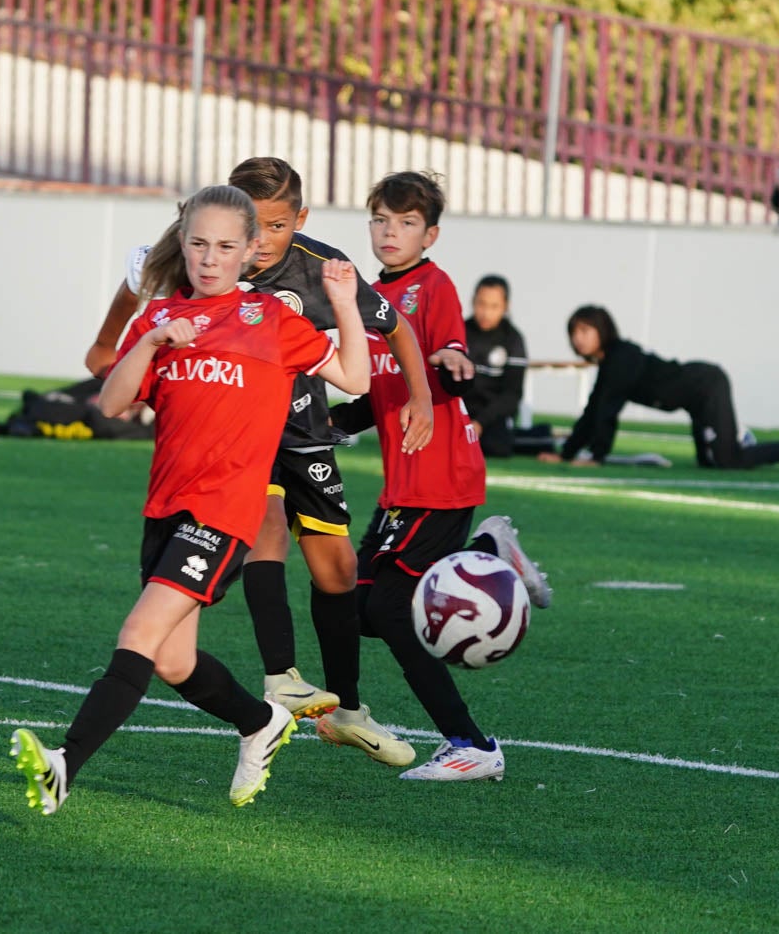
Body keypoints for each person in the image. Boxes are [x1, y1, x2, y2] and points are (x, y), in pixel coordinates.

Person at [9, 184, 372, 815]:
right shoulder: (159, 319)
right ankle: (260, 722)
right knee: (174, 661)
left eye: (226, 246)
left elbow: (354, 378)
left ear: (250, 249)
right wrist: (150, 343)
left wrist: (343, 303)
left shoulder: (271, 320)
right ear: (182, 243)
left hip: (224, 513)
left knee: (139, 631)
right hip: (165, 509)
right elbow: (111, 402)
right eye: (198, 243)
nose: (210, 257)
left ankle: (64, 764)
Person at [84, 158, 435, 770]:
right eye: (254, 227)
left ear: (295, 222)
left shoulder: (318, 268)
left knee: (336, 567)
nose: (262, 242)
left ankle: (347, 710)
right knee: (265, 526)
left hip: (306, 428)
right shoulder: (198, 256)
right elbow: (138, 286)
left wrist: (421, 397)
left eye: (276, 228)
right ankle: (282, 678)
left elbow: (394, 328)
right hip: (240, 439)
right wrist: (109, 345)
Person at [328, 170, 548, 782]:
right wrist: (330, 423)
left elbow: (452, 367)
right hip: (404, 486)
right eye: (380, 219)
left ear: (431, 234)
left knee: (394, 610)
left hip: (440, 477)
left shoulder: (434, 286)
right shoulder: (374, 297)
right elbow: (381, 390)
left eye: (404, 222)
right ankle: (490, 552)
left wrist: (453, 361)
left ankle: (469, 743)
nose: (389, 231)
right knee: (362, 611)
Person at [537, 305, 779, 473]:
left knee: (728, 461)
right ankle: (734, 437)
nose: (578, 339)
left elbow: (607, 412)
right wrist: (565, 455)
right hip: (695, 400)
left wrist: (595, 457)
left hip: (706, 385)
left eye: (585, 331)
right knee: (710, 463)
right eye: (574, 333)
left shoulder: (620, 357)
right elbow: (593, 410)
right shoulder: (611, 362)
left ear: (603, 330)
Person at [463, 274, 554, 458]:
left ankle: (540, 438)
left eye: (494, 306)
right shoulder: (459, 331)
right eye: (481, 304)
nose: (486, 312)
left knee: (496, 447)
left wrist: (480, 423)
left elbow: (512, 394)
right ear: (473, 302)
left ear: (506, 306)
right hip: (461, 411)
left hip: (491, 417)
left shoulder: (513, 339)